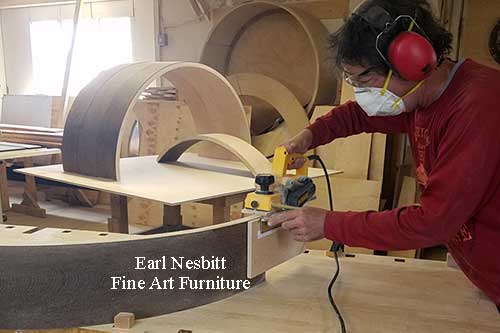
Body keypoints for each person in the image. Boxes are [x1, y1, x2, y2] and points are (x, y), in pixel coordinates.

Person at [268, 0, 500, 307]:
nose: (362, 93)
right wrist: (308, 137)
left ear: (414, 62)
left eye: (364, 81)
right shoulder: (420, 95)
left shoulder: (478, 108)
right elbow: (358, 115)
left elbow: (431, 222)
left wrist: (328, 224)